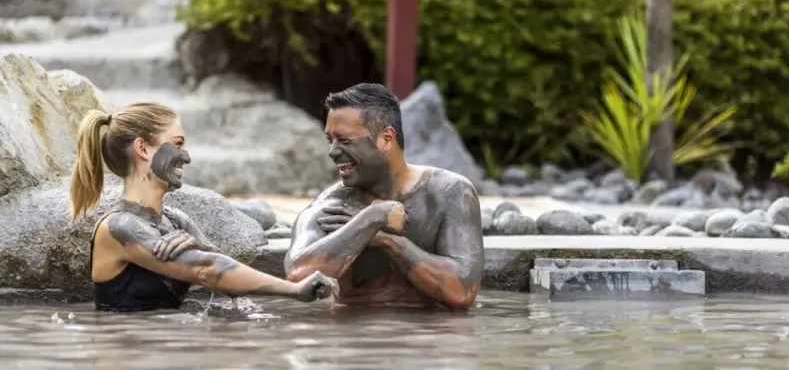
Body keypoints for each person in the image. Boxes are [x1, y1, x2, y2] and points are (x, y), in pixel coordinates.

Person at [69, 101, 338, 312]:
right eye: (177, 144)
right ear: (143, 149)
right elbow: (208, 270)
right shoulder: (118, 228)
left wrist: (201, 247)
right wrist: (294, 290)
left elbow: (227, 278)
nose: (186, 156)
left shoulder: (175, 221)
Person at [284, 83, 484, 311]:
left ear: (386, 139)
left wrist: (388, 242)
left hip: (430, 338)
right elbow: (297, 277)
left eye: (345, 141)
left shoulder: (450, 193)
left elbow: (462, 293)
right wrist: (372, 217)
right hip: (354, 337)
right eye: (330, 140)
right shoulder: (332, 207)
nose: (332, 152)